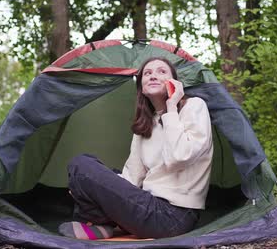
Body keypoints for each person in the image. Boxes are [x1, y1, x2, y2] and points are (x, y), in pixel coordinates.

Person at [58, 57, 213, 240]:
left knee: (81, 166)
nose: (153, 76)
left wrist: (171, 107)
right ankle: (106, 223)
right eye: (147, 73)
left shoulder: (193, 106)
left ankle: (100, 222)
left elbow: (179, 157)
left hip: (174, 216)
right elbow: (132, 178)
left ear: (174, 82)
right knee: (90, 169)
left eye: (161, 71)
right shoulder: (145, 126)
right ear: (141, 87)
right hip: (146, 204)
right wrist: (88, 188)